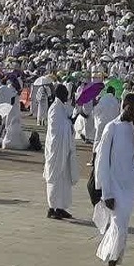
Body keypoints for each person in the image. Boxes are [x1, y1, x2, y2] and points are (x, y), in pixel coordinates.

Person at [93, 92, 134, 266]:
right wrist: (106, 192)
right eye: (128, 108)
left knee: (120, 233)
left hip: (128, 189)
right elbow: (101, 162)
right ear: (122, 106)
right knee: (119, 231)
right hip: (113, 188)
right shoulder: (111, 128)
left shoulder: (133, 128)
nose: (130, 112)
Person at [43, 85, 77, 220]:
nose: (66, 96)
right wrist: (69, 124)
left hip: (64, 150)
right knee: (55, 179)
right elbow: (55, 131)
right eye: (65, 94)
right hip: (56, 151)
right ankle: (52, 208)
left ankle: (61, 207)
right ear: (60, 94)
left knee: (64, 179)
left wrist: (71, 121)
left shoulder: (61, 108)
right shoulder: (55, 109)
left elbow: (65, 123)